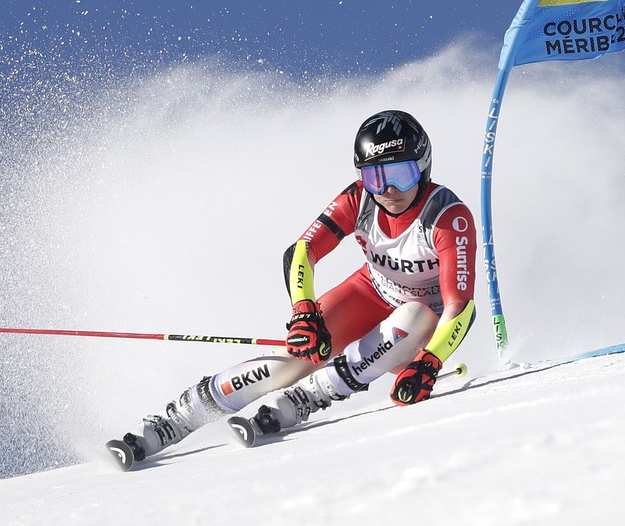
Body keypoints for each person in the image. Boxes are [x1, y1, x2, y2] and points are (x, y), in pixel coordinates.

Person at [114, 110, 477, 462]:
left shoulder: (447, 218)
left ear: (424, 166)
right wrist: (304, 310)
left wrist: (430, 361)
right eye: (376, 178)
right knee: (295, 360)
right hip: (370, 295)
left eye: (401, 173)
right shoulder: (359, 199)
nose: (390, 190)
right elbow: (302, 250)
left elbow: (459, 306)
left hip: (422, 332)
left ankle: (305, 398)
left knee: (414, 314)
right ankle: (175, 420)